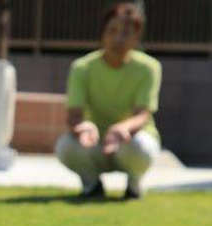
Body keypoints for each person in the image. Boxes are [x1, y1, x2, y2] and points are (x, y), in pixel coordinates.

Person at [55, 2, 162, 199]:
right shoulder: (82, 67)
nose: (118, 38)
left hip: (130, 144)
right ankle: (92, 184)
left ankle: (134, 183)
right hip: (94, 143)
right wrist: (83, 126)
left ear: (136, 38)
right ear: (103, 33)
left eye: (126, 33)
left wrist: (121, 129)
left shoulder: (149, 68)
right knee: (66, 146)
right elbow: (73, 115)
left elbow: (143, 114)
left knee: (141, 147)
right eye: (112, 30)